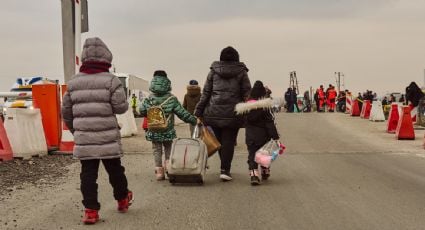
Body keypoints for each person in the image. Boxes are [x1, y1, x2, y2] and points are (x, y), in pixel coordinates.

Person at [61, 37, 133, 225]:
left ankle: (91, 211)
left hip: (84, 137)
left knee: (88, 174)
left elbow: (66, 112)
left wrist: (76, 131)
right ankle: (122, 199)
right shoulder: (112, 80)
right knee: (115, 170)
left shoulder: (73, 83)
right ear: (106, 58)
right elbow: (121, 108)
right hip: (107, 136)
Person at [195, 46, 251, 181]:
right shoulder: (242, 72)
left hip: (214, 112)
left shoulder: (213, 72)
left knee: (220, 141)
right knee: (229, 141)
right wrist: (250, 112)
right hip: (233, 113)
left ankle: (224, 168)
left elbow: (206, 93)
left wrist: (198, 111)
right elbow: (247, 94)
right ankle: (225, 169)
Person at [139, 70, 197, 181]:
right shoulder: (171, 99)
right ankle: (169, 169)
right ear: (167, 82)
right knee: (168, 149)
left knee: (156, 149)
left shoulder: (148, 98)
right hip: (167, 129)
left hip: (154, 128)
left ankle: (159, 173)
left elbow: (141, 111)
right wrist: (194, 120)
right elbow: (182, 113)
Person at [235, 81, 279, 185]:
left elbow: (240, 120)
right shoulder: (265, 108)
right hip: (263, 136)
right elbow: (270, 123)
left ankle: (254, 175)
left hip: (250, 136)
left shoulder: (245, 108)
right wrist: (275, 136)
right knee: (264, 153)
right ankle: (264, 171)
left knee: (252, 155)